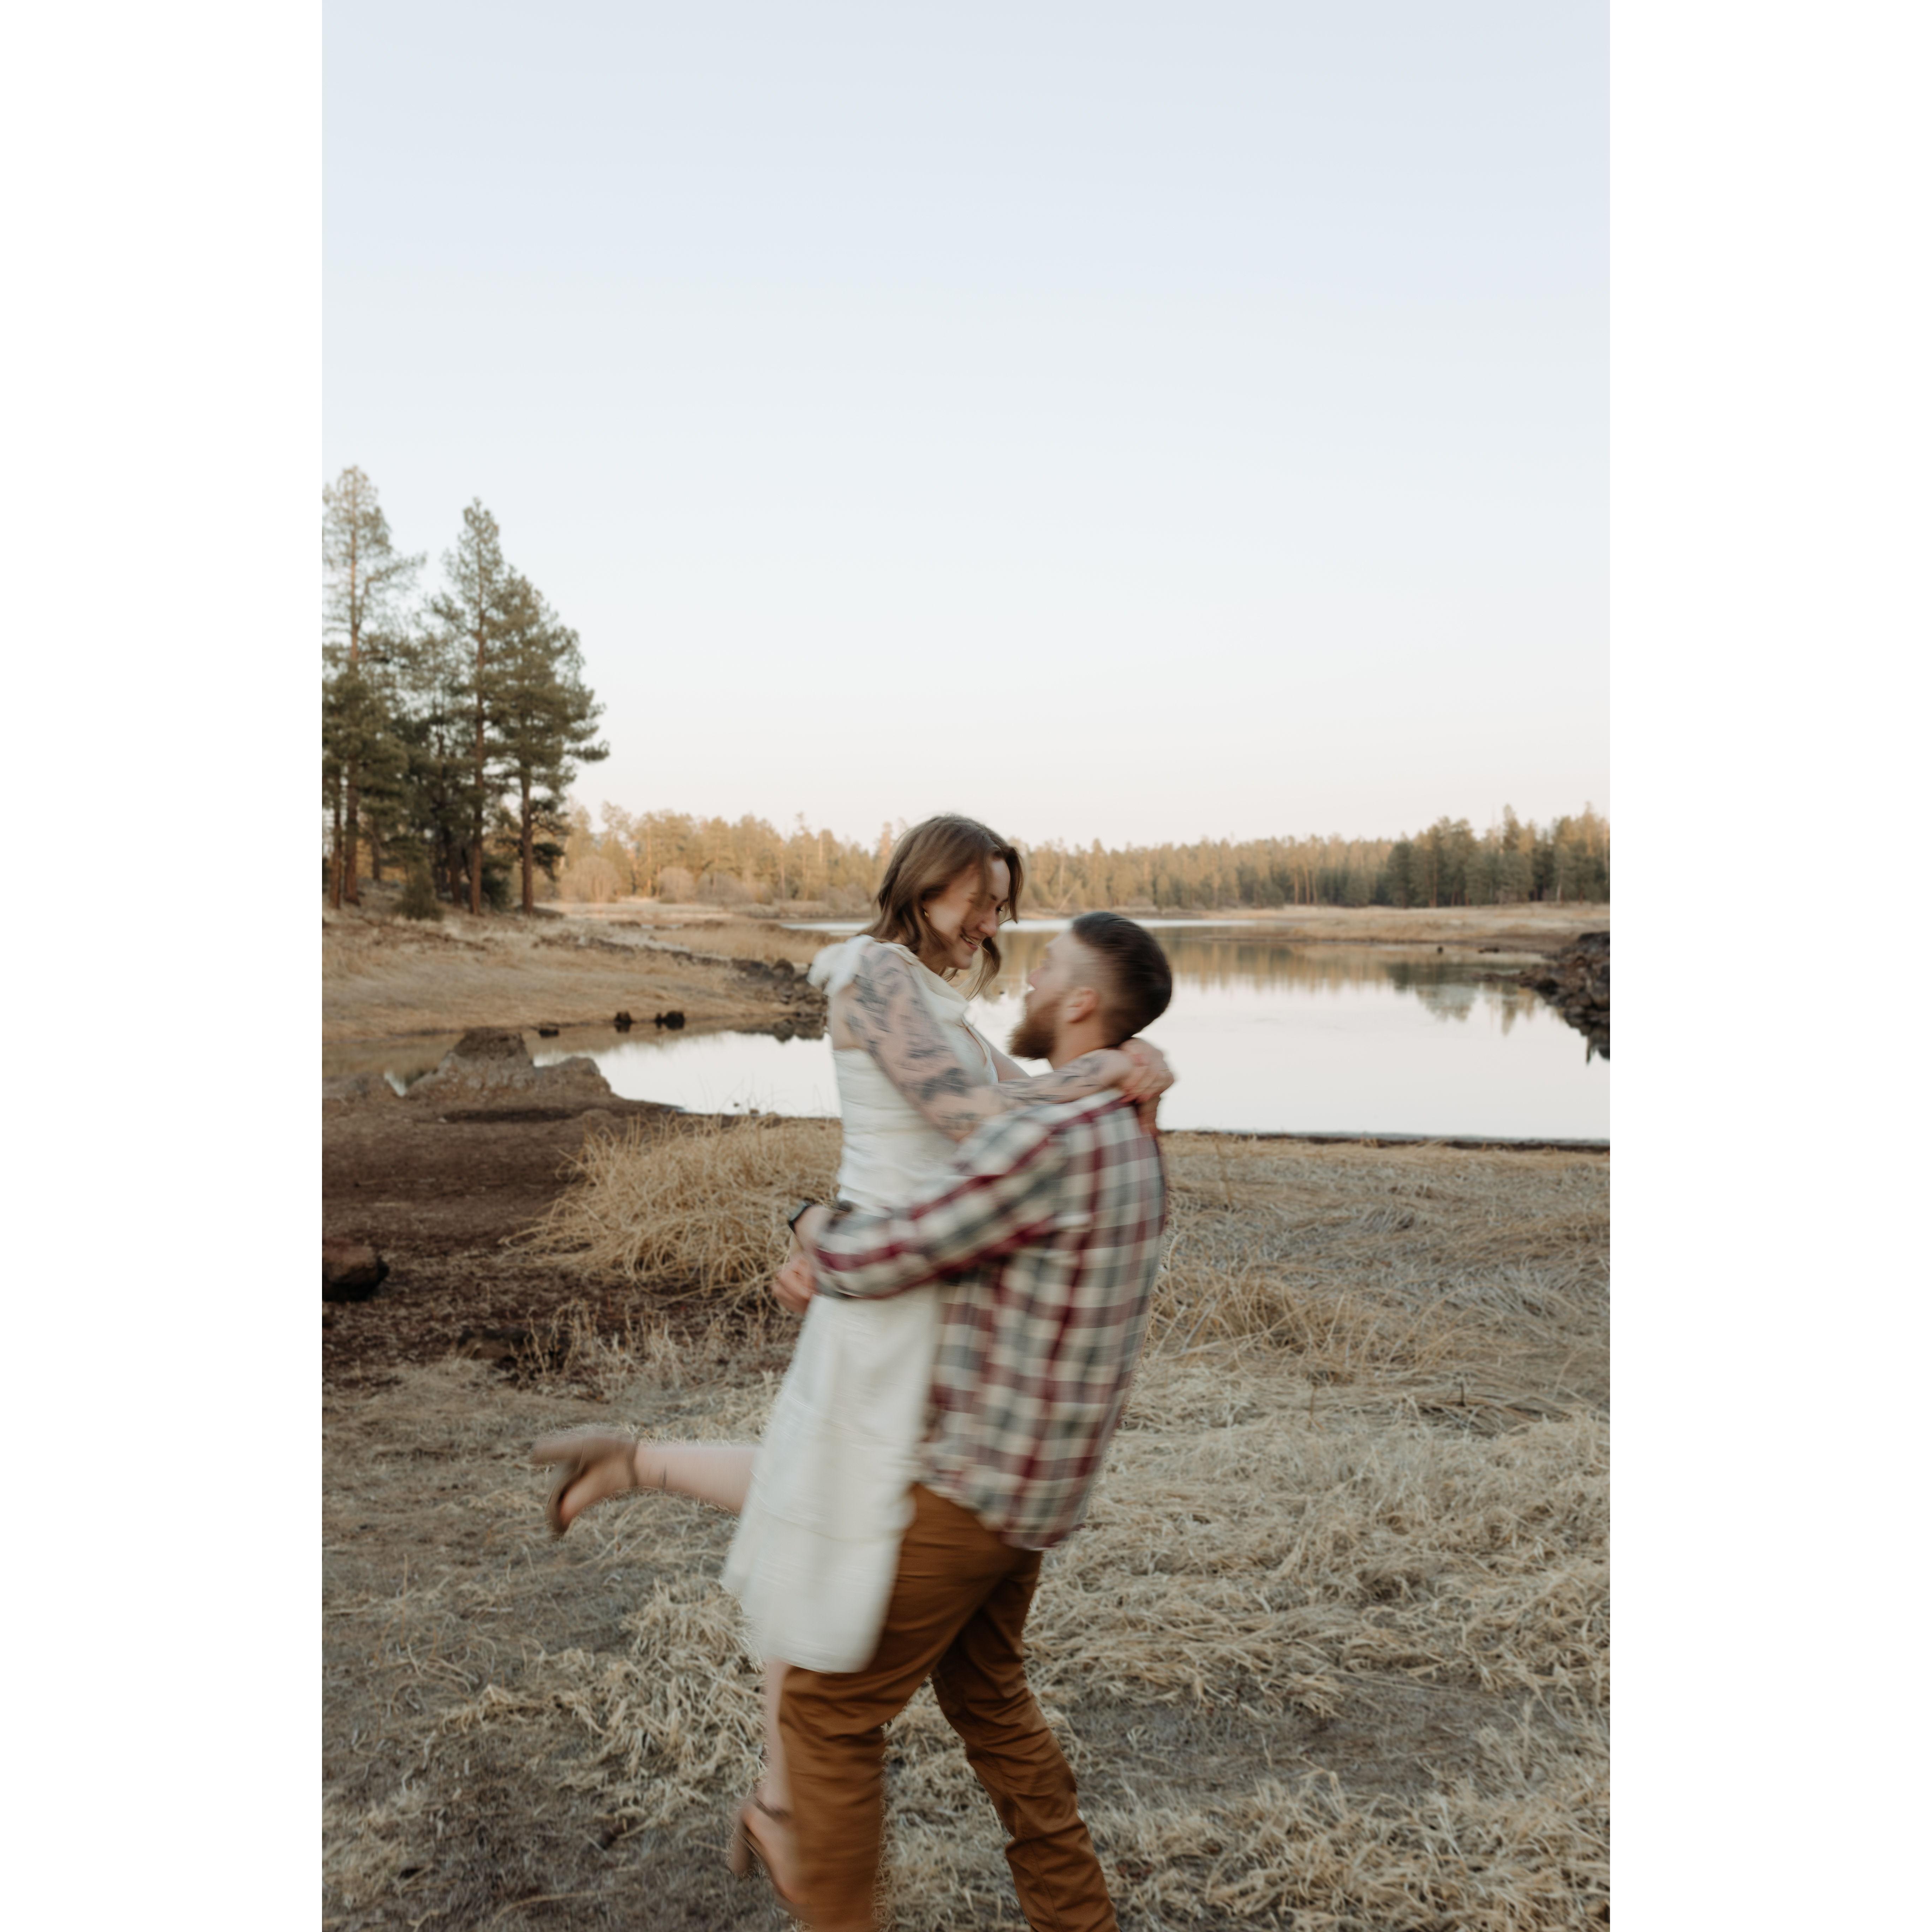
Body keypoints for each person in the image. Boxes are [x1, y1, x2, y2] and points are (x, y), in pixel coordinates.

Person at [531, 819, 1171, 1902]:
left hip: (928, 1281)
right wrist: (1111, 1066)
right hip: (884, 1280)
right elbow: (975, 1119)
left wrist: (1108, 1062)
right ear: (923, 884)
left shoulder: (943, 1005)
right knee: (828, 1533)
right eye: (978, 895)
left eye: (1004, 904)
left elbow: (1012, 1119)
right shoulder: (874, 978)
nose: (992, 921)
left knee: (830, 1518)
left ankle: (779, 1793)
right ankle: (787, 1806)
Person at [769, 910, 1174, 1931]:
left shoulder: (1048, 1137)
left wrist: (809, 1224)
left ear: (1082, 1001)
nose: (1027, 979)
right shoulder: (1130, 1130)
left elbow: (898, 1252)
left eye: (1047, 968)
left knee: (825, 1711)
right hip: (1039, 1498)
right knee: (990, 1701)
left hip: (971, 1490)